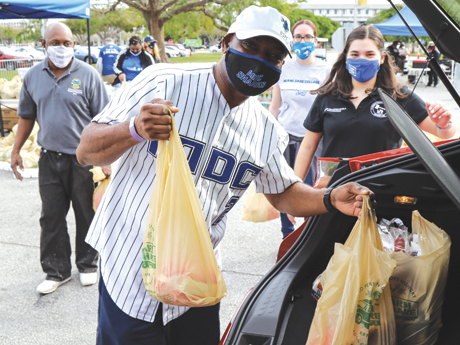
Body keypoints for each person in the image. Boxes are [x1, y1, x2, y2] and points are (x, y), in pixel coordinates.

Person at [76, 6, 374, 345]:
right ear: (226, 42)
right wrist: (133, 129)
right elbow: (86, 150)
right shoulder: (164, 81)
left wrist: (329, 198)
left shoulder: (265, 130)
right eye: (251, 48)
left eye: (273, 56)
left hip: (196, 276)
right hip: (130, 267)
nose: (261, 60)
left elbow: (282, 192)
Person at [10, 23, 110, 294]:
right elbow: (26, 117)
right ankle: (56, 271)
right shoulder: (33, 76)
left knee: (85, 213)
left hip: (84, 160)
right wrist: (16, 149)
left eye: (67, 43)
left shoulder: (88, 75)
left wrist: (106, 159)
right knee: (51, 216)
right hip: (49, 159)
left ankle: (88, 265)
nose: (62, 48)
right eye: (55, 42)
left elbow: (104, 120)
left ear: (74, 45)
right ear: (43, 44)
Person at [293, 26, 456, 186]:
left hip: (382, 191)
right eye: (355, 54)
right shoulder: (327, 96)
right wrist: (296, 190)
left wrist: (443, 123)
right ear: (345, 58)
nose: (361, 60)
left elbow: (445, 133)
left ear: (382, 58)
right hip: (333, 192)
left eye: (370, 54)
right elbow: (307, 147)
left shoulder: (398, 96)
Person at [269, 19, 330, 239]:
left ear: (315, 40)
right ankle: (287, 236)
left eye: (307, 37)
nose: (302, 41)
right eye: (298, 37)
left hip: (314, 143)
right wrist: (270, 138)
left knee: (312, 192)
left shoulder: (325, 70)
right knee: (286, 190)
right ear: (291, 40)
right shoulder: (282, 68)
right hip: (285, 140)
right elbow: (275, 106)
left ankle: (308, 238)